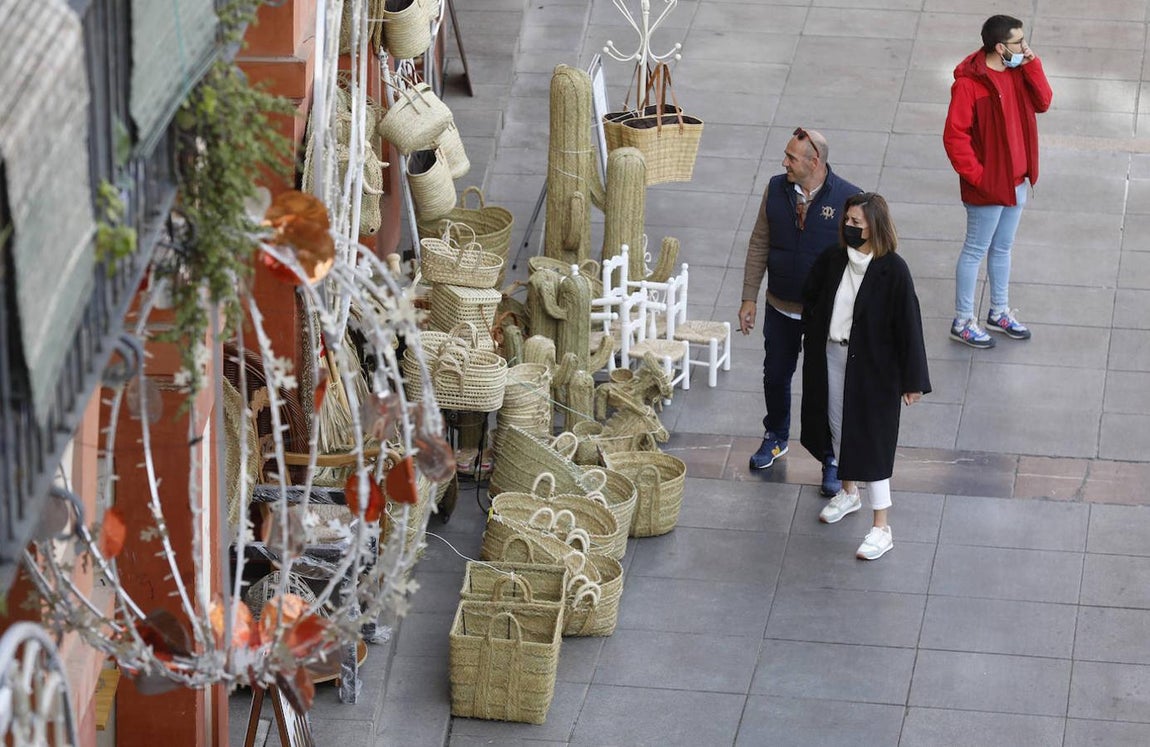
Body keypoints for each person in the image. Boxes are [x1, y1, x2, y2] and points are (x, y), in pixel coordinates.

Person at [800, 192, 930, 560]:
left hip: (874, 371)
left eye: (857, 223)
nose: (849, 228)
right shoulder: (833, 260)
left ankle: (881, 526)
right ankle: (849, 492)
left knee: (872, 442)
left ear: (875, 227)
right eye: (848, 221)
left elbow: (909, 326)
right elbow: (812, 300)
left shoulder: (894, 270)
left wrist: (911, 381)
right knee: (838, 428)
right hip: (833, 356)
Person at [739, 127, 860, 496]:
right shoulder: (775, 189)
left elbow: (859, 257)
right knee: (775, 376)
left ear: (814, 162)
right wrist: (750, 297)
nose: (784, 162)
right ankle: (775, 435)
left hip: (823, 316)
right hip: (779, 307)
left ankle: (831, 458)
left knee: (824, 387)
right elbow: (760, 240)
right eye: (787, 155)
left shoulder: (847, 199)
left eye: (791, 157)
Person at [943, 14, 1053, 348]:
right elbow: (954, 137)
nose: (1025, 46)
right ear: (1000, 46)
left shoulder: (1019, 72)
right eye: (1019, 42)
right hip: (989, 187)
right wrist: (981, 177)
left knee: (1002, 248)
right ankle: (963, 320)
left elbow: (1044, 102)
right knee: (976, 249)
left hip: (1017, 181)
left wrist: (1032, 64)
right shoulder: (969, 84)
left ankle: (999, 311)